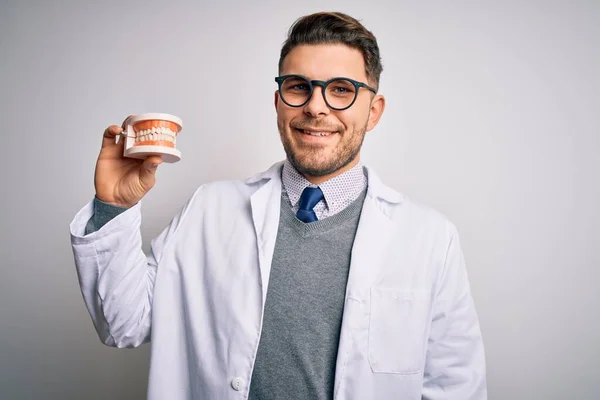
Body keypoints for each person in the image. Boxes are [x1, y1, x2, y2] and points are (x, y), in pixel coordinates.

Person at [69, 11, 487, 400]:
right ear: (278, 101)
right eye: (298, 87)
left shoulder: (429, 238)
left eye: (341, 89)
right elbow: (123, 324)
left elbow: (454, 387)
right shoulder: (209, 210)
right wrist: (114, 206)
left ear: (373, 111)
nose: (316, 106)